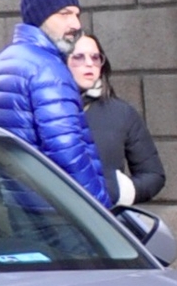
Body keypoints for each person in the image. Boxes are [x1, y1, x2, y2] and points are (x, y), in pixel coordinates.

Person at [0, 0, 108, 205]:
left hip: (18, 204)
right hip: (58, 211)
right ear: (41, 17)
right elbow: (67, 151)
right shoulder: (47, 68)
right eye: (65, 14)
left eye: (76, 15)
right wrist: (101, 209)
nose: (76, 24)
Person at [67, 33, 164, 209]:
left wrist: (119, 190)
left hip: (103, 221)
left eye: (95, 57)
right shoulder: (42, 108)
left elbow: (153, 175)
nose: (89, 63)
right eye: (79, 57)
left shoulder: (122, 113)